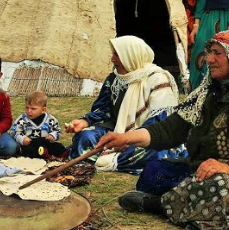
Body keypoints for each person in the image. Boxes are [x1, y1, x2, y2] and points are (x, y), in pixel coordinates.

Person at [99, 31, 229, 229]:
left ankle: (158, 205)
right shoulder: (207, 94)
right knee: (155, 171)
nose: (209, 59)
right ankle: (185, 202)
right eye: (209, 52)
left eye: (218, 53)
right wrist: (126, 138)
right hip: (204, 171)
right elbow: (171, 129)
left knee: (218, 187)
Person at [65, 35, 185, 173]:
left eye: (117, 55)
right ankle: (106, 157)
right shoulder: (114, 79)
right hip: (117, 132)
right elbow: (104, 110)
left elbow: (161, 121)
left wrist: (129, 139)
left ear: (130, 56)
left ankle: (100, 159)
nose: (112, 59)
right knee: (85, 137)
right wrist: (85, 122)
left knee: (155, 153)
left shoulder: (157, 79)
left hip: (147, 137)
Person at [10, 90, 66, 159]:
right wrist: (22, 139)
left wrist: (53, 135)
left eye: (33, 109)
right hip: (30, 143)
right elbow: (14, 132)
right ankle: (42, 154)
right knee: (28, 150)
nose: (29, 111)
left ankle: (62, 154)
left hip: (45, 143)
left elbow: (58, 131)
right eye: (27, 107)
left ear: (43, 110)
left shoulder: (50, 119)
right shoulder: (22, 119)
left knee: (58, 147)